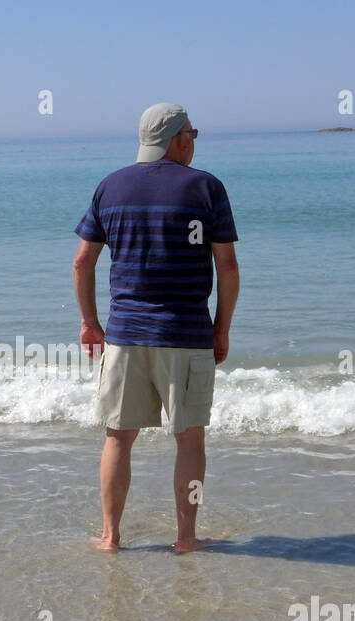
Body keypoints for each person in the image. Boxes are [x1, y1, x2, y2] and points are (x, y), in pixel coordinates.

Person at [73, 102, 240, 553]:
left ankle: (110, 537)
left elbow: (83, 261)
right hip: (186, 335)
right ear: (179, 138)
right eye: (193, 133)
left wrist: (90, 324)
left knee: (118, 438)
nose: (194, 141)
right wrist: (222, 327)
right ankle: (185, 538)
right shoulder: (206, 188)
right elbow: (226, 267)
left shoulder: (111, 186)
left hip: (125, 335)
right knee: (189, 441)